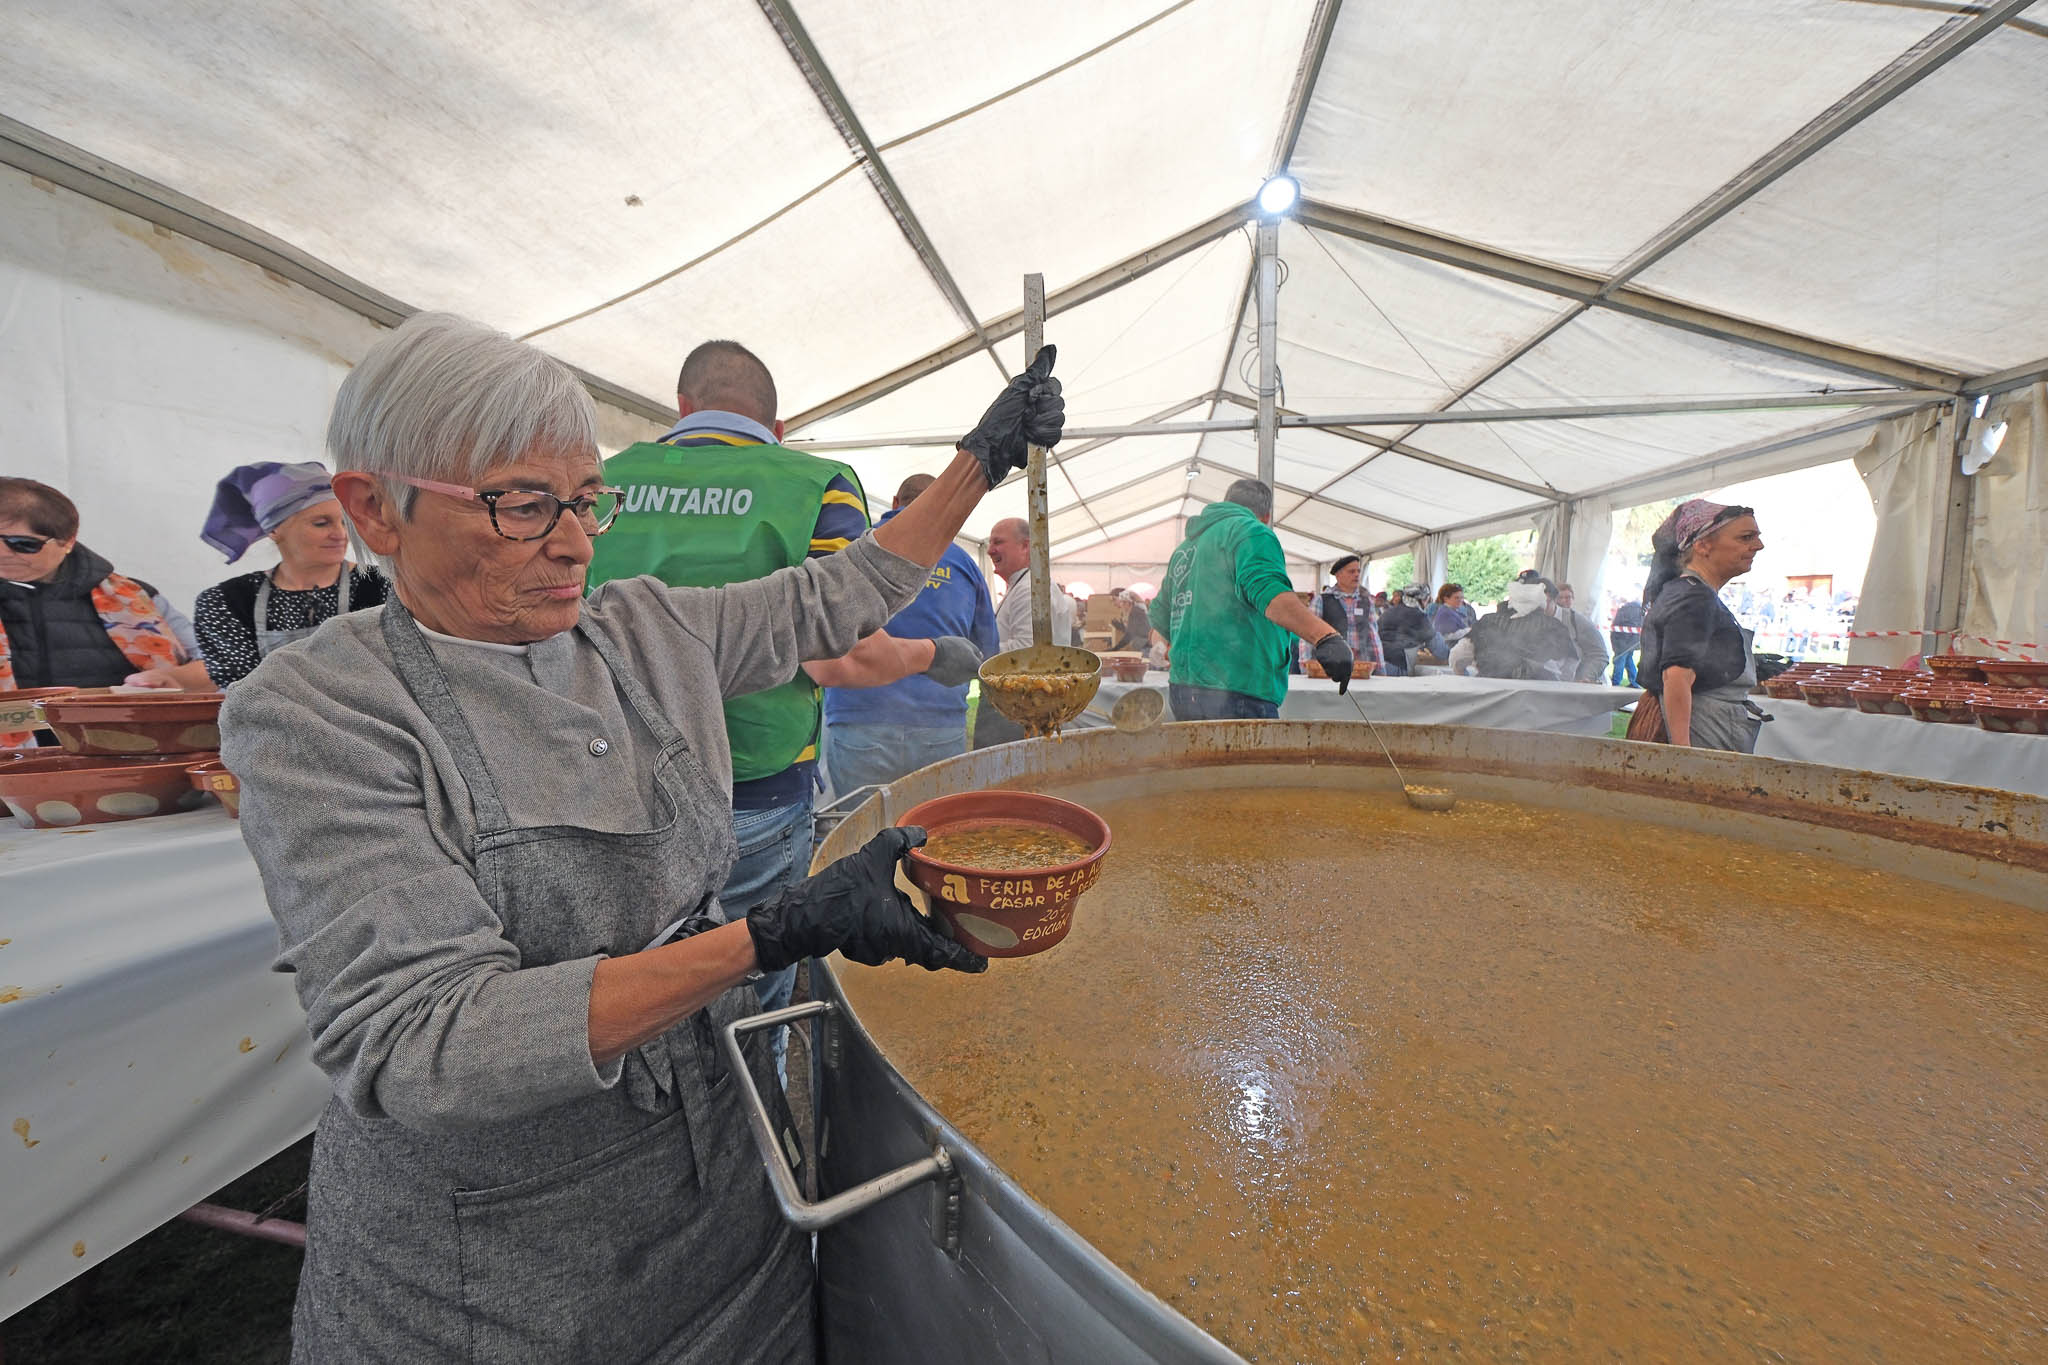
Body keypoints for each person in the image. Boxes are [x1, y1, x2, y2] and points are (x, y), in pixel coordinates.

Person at [219, 312, 1061, 1361]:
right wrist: (773, 932)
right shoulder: (319, 711)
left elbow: (834, 595)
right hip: (496, 1269)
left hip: (714, 1189)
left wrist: (977, 465)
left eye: (582, 500)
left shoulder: (639, 631)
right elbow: (424, 1040)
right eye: (523, 505)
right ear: (374, 511)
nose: (574, 541)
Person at [586, 340, 986, 1064]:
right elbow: (841, 655)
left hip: (603, 791)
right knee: (750, 988)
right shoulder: (818, 483)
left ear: (681, 408)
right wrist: (933, 657)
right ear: (778, 422)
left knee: (630, 997)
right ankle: (752, 1148)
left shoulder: (595, 481)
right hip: (754, 793)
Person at [822, 473, 998, 793]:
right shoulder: (963, 562)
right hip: (939, 727)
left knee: (863, 836)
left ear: (894, 504)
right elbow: (988, 652)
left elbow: (820, 629)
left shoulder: (853, 548)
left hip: (859, 721)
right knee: (934, 835)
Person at [1, 478, 211, 745]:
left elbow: (215, 664)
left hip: (127, 753)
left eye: (21, 543)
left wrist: (170, 677)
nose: (2, 552)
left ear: (67, 542)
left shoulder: (136, 596)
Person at [1157, 478, 1353, 719]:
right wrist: (1325, 637)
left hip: (1183, 689)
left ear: (1227, 502)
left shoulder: (1185, 549)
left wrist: (1165, 646)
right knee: (1246, 759)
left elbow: (1160, 615)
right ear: (1267, 516)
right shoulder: (1251, 531)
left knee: (1199, 757)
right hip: (1238, 689)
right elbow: (1268, 590)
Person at [188, 461, 389, 688]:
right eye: (321, 523)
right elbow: (247, 691)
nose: (340, 534)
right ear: (274, 530)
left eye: (345, 523)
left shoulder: (385, 587)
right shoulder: (225, 602)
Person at [1638, 500, 1768, 752]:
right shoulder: (1694, 597)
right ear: (1702, 545)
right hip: (1703, 730)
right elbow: (1676, 676)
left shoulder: (1687, 592)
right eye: (1746, 537)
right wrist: (1684, 754)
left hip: (1708, 724)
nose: (1758, 545)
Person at [972, 515, 1076, 748]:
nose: (990, 550)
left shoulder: (1031, 588)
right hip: (1016, 707)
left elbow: (1027, 653)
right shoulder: (1023, 586)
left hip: (1019, 709)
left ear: (1026, 546)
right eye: (989, 543)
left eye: (998, 542)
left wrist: (975, 652)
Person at [1460, 570, 1579, 681]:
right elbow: (1569, 665)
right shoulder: (1553, 626)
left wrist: (1463, 675)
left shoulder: (1489, 620)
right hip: (1537, 695)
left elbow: (1458, 656)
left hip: (1491, 691)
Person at [1306, 554, 1383, 678]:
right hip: (1328, 669)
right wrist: (1306, 667)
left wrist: (1380, 669)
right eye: (1351, 571)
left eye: (1358, 571)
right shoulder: (1322, 600)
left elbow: (1374, 638)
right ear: (1338, 575)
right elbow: (1308, 635)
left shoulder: (1366, 601)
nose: (1357, 575)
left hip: (1360, 668)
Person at [1547, 579, 1610, 683]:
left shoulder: (1580, 622)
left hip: (1579, 681)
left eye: (1567, 597)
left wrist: (1586, 676)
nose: (1563, 601)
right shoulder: (1543, 620)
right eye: (1560, 598)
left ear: (1573, 599)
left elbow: (1599, 654)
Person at [1375, 583, 1445, 676]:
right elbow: (1437, 648)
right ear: (1424, 599)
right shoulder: (1419, 616)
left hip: (1377, 661)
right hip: (1397, 663)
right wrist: (1453, 654)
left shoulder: (1388, 612)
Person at [1609, 596, 1645, 686]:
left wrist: (1615, 640)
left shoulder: (1624, 609)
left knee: (1619, 660)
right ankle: (1634, 681)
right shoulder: (1640, 611)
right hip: (1633, 641)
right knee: (1628, 660)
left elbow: (1616, 625)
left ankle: (1616, 682)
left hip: (1622, 640)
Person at [1108, 588, 1152, 654]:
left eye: (1122, 602)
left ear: (1127, 602)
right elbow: (1134, 631)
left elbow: (1130, 635)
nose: (1120, 605)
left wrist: (1115, 648)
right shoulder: (1134, 611)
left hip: (1145, 648)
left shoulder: (1135, 612)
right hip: (1144, 647)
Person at [1431, 583, 1472, 647]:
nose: (1460, 600)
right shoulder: (1445, 613)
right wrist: (1470, 630)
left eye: (1462, 598)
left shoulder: (1451, 611)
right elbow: (1448, 636)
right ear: (1446, 599)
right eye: (1456, 598)